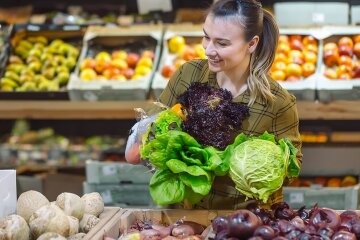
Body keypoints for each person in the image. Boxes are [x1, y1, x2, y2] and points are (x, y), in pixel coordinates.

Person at [126, 0, 302, 210]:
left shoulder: (277, 103)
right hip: (184, 215)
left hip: (244, 220)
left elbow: (293, 166)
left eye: (222, 43)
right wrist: (150, 137)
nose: (209, 50)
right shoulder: (188, 74)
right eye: (206, 37)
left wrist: (252, 168)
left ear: (252, 44)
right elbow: (149, 131)